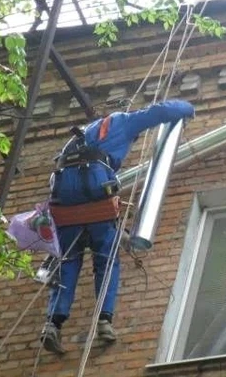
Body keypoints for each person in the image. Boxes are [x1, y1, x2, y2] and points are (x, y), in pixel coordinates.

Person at [40, 99, 195, 354]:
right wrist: (187, 108)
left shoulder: (79, 136)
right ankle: (104, 320)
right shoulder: (121, 122)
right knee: (107, 258)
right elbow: (159, 112)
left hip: (64, 199)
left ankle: (52, 324)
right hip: (95, 192)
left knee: (66, 260)